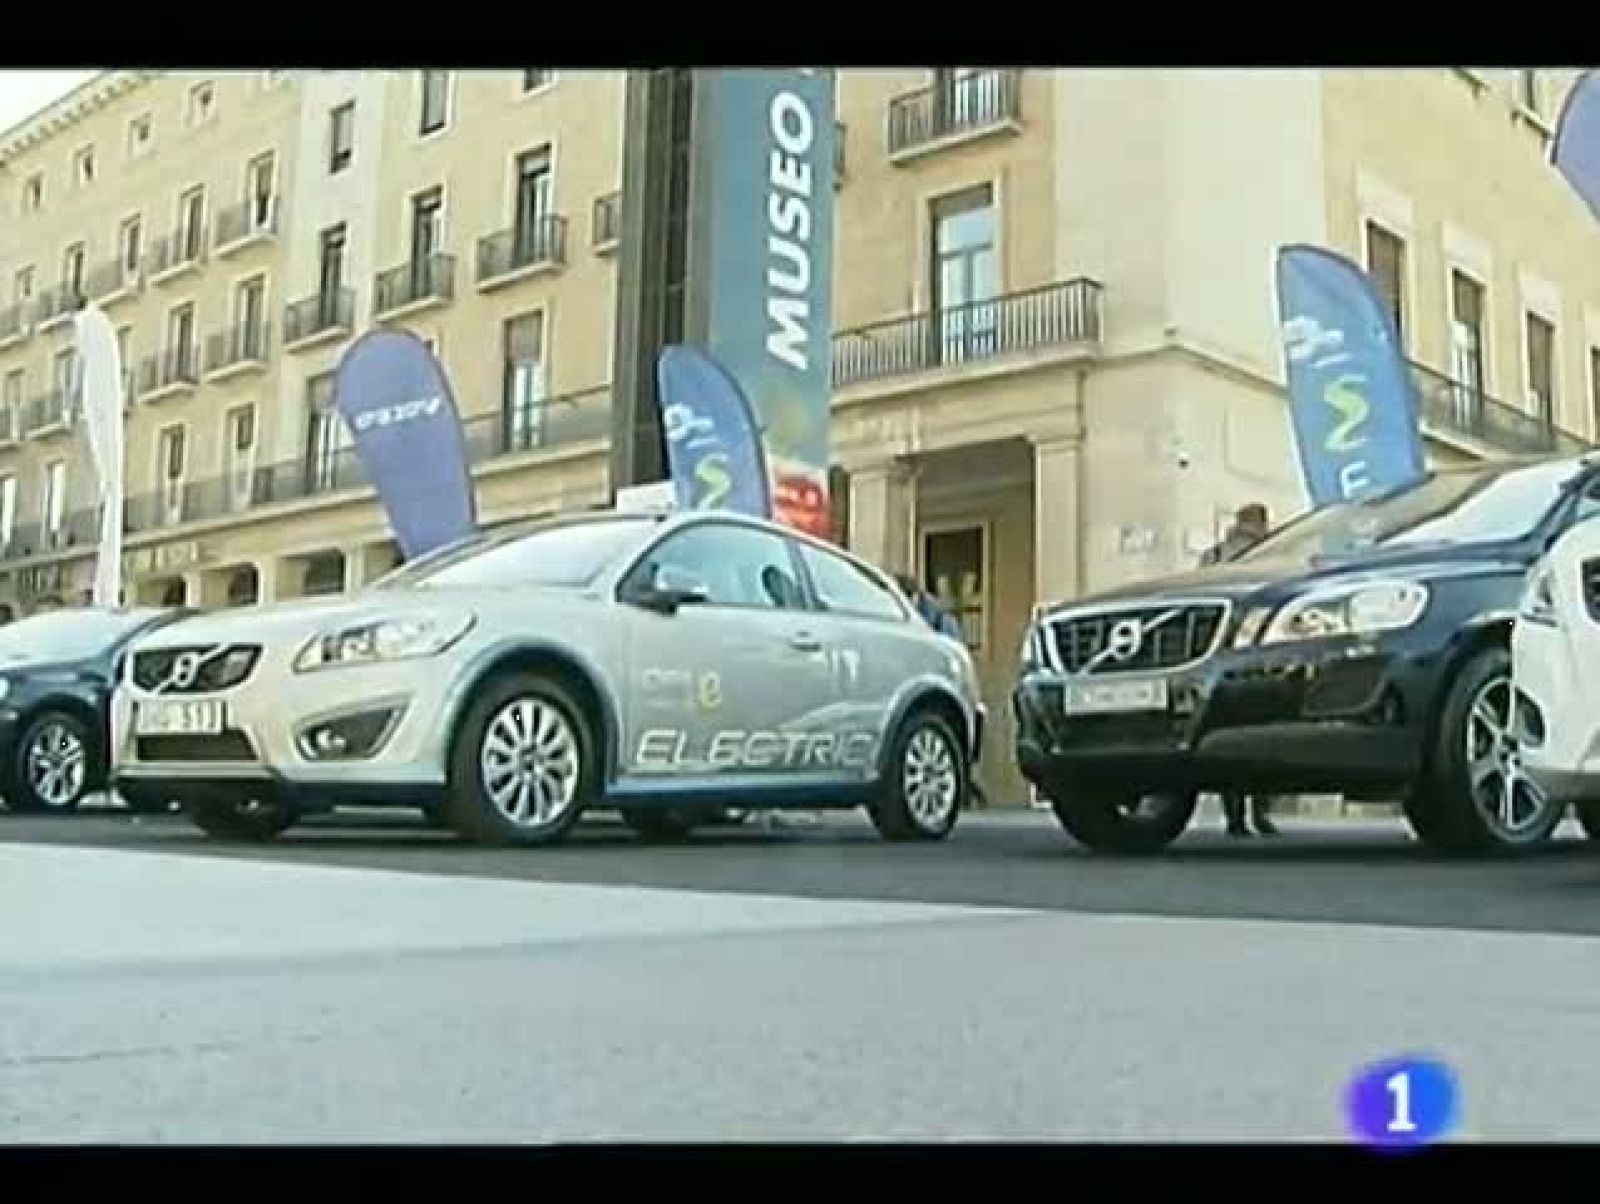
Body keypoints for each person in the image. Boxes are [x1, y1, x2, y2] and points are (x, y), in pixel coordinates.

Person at [1200, 504, 1280, 838]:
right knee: (1264, 741)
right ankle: (1260, 813)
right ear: (1260, 523)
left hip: (1220, 663)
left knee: (1226, 740)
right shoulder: (1270, 554)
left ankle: (1234, 817)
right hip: (1258, 658)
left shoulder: (1214, 556)